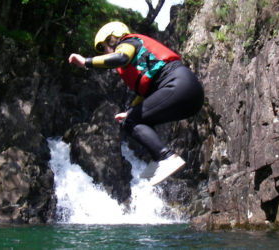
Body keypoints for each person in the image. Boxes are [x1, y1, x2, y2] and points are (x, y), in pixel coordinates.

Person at [68, 21, 204, 185]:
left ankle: (165, 157)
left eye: (105, 47)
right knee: (135, 118)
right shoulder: (137, 60)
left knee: (130, 121)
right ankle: (158, 158)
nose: (105, 52)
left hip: (178, 85)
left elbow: (120, 57)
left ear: (113, 38)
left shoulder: (128, 43)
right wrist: (131, 110)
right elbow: (145, 94)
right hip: (191, 98)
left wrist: (86, 62)